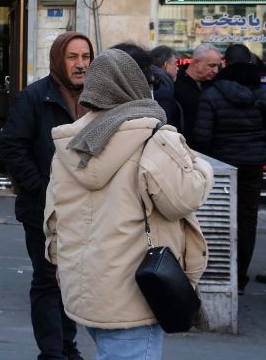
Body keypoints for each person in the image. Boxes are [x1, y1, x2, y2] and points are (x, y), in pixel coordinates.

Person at [45, 48, 212, 360]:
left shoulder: (70, 142)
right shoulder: (153, 137)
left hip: (86, 289)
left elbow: (53, 215)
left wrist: (59, 263)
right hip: (136, 293)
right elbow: (184, 198)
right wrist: (201, 166)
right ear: (136, 86)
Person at [0, 31, 93, 360]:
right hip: (42, 209)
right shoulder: (35, 97)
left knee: (73, 282)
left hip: (85, 211)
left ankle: (68, 346)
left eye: (85, 57)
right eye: (73, 57)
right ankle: (52, 353)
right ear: (58, 60)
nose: (81, 65)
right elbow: (12, 145)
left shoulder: (98, 100)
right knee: (47, 280)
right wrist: (40, 188)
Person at [191, 43, 266, 294]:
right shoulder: (260, 94)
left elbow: (202, 136)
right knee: (247, 219)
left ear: (225, 64)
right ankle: (241, 278)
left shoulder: (212, 93)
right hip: (254, 166)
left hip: (222, 165)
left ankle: (217, 274)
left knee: (219, 219)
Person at [174, 43, 221, 145]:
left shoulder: (216, 86)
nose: (216, 71)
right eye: (212, 65)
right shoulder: (175, 84)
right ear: (196, 63)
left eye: (218, 66)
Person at [149, 45, 181, 128]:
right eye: (175, 64)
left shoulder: (150, 83)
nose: (177, 69)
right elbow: (163, 126)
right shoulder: (163, 92)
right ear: (166, 65)